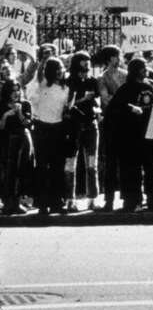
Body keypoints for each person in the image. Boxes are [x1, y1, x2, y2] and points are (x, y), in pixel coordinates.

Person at [105, 57, 153, 212]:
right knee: (135, 169)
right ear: (137, 70)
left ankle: (150, 200)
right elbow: (116, 107)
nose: (146, 70)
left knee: (146, 169)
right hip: (132, 135)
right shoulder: (126, 88)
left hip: (144, 134)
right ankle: (135, 201)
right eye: (143, 67)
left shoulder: (149, 86)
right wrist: (131, 108)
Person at [27, 51, 70, 215]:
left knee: (57, 167)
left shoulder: (66, 88)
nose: (61, 71)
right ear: (51, 71)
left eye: (62, 68)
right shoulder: (41, 85)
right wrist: (39, 63)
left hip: (58, 128)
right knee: (42, 167)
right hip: (42, 128)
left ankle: (57, 202)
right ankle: (42, 203)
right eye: (57, 69)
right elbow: (32, 89)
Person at [63, 51, 102, 211]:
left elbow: (98, 100)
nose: (87, 64)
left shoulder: (92, 80)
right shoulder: (69, 81)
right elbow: (66, 105)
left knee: (92, 163)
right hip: (74, 124)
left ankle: (92, 198)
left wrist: (96, 107)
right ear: (76, 63)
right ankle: (69, 200)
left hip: (91, 123)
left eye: (88, 61)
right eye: (83, 61)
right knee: (70, 163)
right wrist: (82, 99)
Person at [94, 45, 126, 211]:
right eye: (115, 56)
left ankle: (127, 198)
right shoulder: (102, 78)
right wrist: (123, 100)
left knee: (127, 161)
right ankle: (109, 200)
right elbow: (105, 100)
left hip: (126, 122)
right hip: (111, 123)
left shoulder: (125, 74)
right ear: (108, 58)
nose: (118, 58)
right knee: (111, 162)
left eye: (118, 55)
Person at [1, 59, 33, 214]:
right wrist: (7, 115)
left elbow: (28, 123)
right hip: (7, 141)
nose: (16, 93)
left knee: (22, 170)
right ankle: (7, 201)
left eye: (18, 90)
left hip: (22, 140)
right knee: (8, 171)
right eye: (13, 90)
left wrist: (19, 112)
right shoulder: (1, 105)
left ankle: (18, 200)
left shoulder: (25, 104)